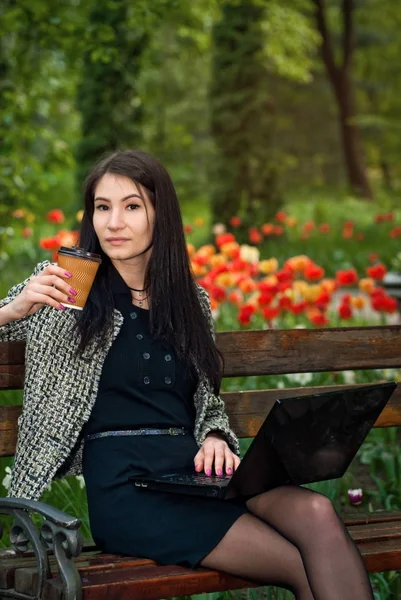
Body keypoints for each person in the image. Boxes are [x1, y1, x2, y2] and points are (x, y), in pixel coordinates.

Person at [0, 149, 374, 600]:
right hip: (126, 489)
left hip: (192, 473)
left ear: (162, 214)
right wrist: (12, 310)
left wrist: (215, 435)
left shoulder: (189, 301)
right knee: (298, 563)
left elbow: (206, 402)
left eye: (132, 206)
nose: (114, 222)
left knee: (315, 511)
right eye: (103, 207)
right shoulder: (66, 286)